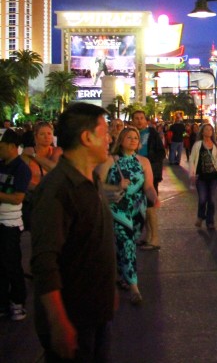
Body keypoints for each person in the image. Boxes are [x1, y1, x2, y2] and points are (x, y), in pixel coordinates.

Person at [29, 103, 116, 361]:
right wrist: (59, 322)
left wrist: (107, 292)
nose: (110, 139)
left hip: (95, 312)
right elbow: (45, 262)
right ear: (87, 137)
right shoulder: (57, 189)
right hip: (74, 320)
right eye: (105, 132)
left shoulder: (92, 180)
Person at [96, 127, 160, 305]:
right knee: (127, 244)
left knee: (126, 243)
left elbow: (148, 186)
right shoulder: (110, 160)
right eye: (129, 137)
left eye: (136, 138)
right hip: (118, 207)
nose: (133, 140)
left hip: (138, 208)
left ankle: (121, 274)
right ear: (121, 140)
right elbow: (97, 184)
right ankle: (134, 287)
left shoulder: (143, 161)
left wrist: (154, 198)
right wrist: (117, 186)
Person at [0, 128, 31, 321]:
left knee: (11, 264)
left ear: (12, 146)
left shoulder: (21, 169)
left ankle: (17, 302)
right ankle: (3, 302)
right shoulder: (2, 165)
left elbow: (18, 198)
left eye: (1, 146)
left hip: (10, 224)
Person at [131, 110, 166, 250]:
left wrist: (147, 162)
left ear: (146, 120)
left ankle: (155, 239)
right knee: (143, 207)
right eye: (136, 118)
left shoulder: (152, 133)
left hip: (150, 174)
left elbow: (161, 153)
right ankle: (148, 236)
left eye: (141, 118)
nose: (139, 120)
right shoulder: (132, 134)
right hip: (135, 174)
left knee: (150, 206)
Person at [188, 123, 217, 230]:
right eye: (206, 129)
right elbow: (192, 159)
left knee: (211, 199)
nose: (209, 131)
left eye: (210, 130)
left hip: (213, 176)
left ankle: (210, 221)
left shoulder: (216, 145)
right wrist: (192, 173)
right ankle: (200, 216)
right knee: (203, 198)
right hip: (201, 177)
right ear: (202, 132)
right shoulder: (198, 145)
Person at [22, 121, 63, 192]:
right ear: (36, 137)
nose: (46, 137)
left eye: (49, 133)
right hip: (32, 193)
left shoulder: (57, 150)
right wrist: (39, 190)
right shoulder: (27, 152)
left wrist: (34, 155)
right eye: (42, 134)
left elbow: (54, 169)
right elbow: (22, 179)